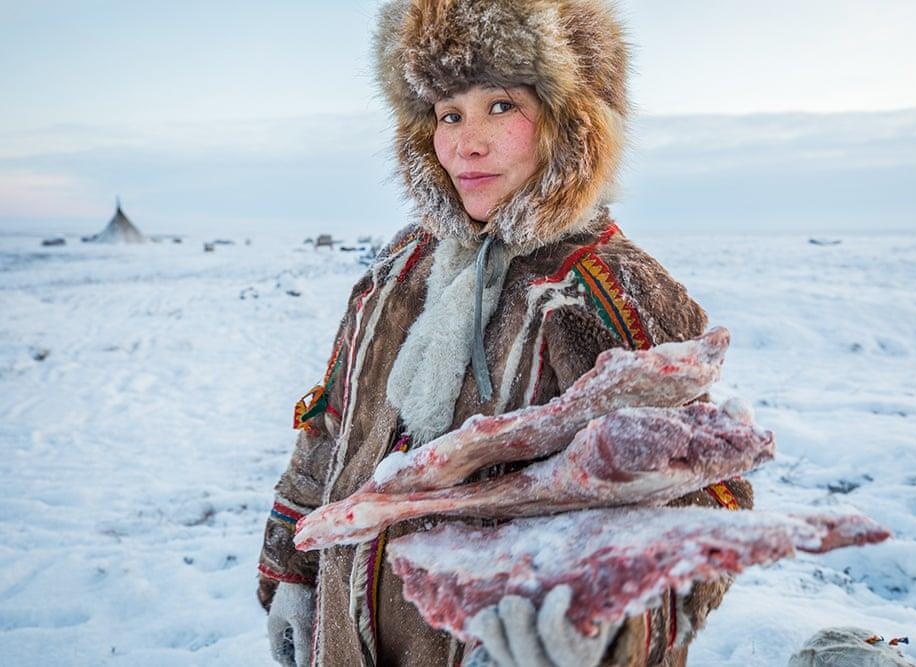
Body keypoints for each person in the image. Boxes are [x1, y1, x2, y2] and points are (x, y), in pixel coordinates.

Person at [256, 1, 753, 665]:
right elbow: (331, 425)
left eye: (500, 105)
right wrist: (292, 568)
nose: (468, 142)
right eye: (448, 113)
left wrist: (595, 630)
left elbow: (705, 499)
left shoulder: (605, 287)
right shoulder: (401, 269)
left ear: (572, 123)